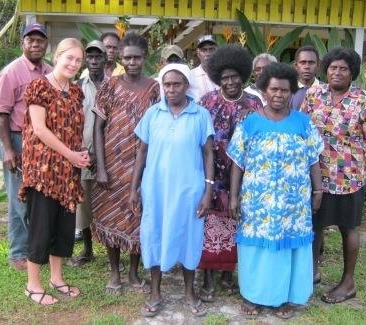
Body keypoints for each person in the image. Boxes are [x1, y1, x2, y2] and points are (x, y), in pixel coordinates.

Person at [228, 63, 324, 318]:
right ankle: (253, 296)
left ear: (292, 92)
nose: (279, 95)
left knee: (288, 248)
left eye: (284, 90)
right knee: (256, 248)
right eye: (273, 90)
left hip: (293, 203)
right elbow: (238, 163)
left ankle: (286, 298)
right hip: (257, 202)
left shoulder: (303, 123)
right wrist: (234, 196)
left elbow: (314, 159)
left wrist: (318, 191)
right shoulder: (251, 123)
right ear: (264, 90)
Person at [129, 63, 214, 317]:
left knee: (189, 236)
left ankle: (190, 292)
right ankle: (155, 291)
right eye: (167, 84)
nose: (172, 89)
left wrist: (208, 191)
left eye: (177, 84)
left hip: (190, 189)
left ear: (187, 86)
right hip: (155, 189)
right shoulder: (153, 114)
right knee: (154, 234)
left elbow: (208, 153)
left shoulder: (200, 115)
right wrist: (134, 188)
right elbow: (141, 153)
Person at [301, 47, 366, 304]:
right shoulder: (314, 94)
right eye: (333, 68)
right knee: (315, 226)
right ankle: (310, 274)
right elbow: (302, 128)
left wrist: (354, 158)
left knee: (348, 228)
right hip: (317, 176)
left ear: (352, 72)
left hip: (349, 178)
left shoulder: (363, 99)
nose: (337, 72)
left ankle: (348, 282)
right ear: (326, 70)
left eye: (343, 68)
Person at [19, 38, 89, 305]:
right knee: (41, 226)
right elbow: (39, 129)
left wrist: (78, 155)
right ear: (57, 56)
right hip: (44, 170)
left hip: (67, 172)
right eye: (68, 57)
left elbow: (73, 129)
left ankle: (57, 278)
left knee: (63, 226)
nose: (73, 63)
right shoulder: (39, 86)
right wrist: (70, 154)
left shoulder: (75, 92)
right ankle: (32, 284)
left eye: (77, 60)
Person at [92, 32, 159, 295]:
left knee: (137, 217)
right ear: (120, 57)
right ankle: (114, 272)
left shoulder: (154, 87)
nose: (132, 62)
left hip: (142, 164)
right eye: (127, 57)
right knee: (111, 217)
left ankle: (132, 272)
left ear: (145, 58)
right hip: (111, 163)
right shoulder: (110, 85)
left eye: (137, 58)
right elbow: (98, 127)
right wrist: (100, 166)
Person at [197, 45, 262, 303]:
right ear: (217, 79)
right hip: (213, 174)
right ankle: (209, 278)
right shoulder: (207, 102)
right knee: (211, 227)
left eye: (235, 76)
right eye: (224, 77)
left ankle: (228, 275)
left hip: (243, 177)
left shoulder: (254, 103)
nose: (230, 81)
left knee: (235, 224)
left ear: (243, 75)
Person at [0, 22, 52, 271]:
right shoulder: (11, 72)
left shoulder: (49, 72)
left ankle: (25, 251)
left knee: (31, 199)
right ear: (23, 44)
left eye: (40, 40)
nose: (36, 44)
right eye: (31, 40)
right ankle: (27, 253)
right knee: (21, 201)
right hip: (16, 140)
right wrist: (8, 150)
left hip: (40, 142)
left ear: (46, 44)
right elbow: (1, 114)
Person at [68, 40, 107, 267]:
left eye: (98, 57)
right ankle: (88, 249)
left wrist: (99, 157)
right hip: (82, 155)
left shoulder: (113, 86)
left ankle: (113, 249)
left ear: (105, 59)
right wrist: (83, 154)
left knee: (108, 203)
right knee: (83, 205)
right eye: (90, 57)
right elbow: (73, 123)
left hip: (107, 157)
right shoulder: (78, 86)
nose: (93, 61)